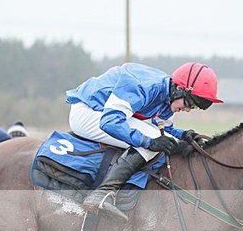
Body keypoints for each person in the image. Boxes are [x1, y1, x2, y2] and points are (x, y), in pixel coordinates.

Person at [65, 62, 223, 221]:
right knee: (153, 140)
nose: (188, 109)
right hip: (88, 112)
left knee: (162, 139)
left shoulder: (168, 97)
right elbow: (110, 122)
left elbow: (162, 127)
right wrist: (148, 142)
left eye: (193, 107)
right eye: (188, 103)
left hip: (105, 113)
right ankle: (102, 194)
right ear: (179, 89)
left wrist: (184, 135)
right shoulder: (143, 86)